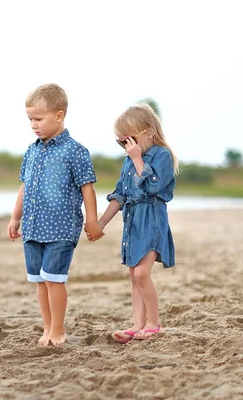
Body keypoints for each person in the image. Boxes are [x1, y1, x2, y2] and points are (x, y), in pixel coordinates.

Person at [7, 83, 103, 347]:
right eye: (30, 119)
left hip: (61, 228)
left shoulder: (75, 151)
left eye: (38, 119)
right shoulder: (32, 150)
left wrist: (92, 220)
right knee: (40, 280)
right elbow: (25, 186)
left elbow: (87, 187)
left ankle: (58, 330)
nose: (33, 125)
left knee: (54, 279)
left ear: (59, 115)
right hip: (33, 226)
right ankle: (47, 329)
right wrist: (16, 217)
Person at [97, 103, 178, 343]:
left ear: (148, 133)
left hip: (151, 219)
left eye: (130, 140)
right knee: (134, 274)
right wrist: (101, 222)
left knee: (143, 273)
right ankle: (138, 324)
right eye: (121, 142)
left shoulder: (162, 155)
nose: (126, 146)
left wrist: (136, 159)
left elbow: (153, 185)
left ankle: (153, 323)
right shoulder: (127, 162)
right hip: (132, 221)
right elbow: (120, 195)